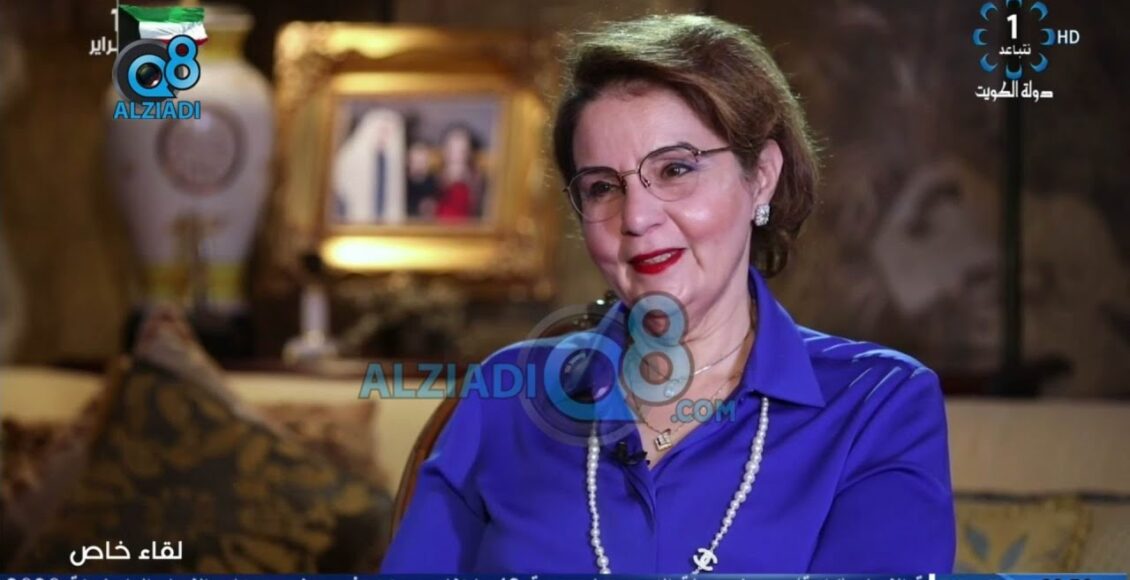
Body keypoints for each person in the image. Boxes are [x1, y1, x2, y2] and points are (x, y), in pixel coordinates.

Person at [381, 14, 954, 574]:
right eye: (602, 187)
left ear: (761, 176)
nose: (636, 217)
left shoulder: (878, 404)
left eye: (676, 170)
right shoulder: (507, 396)